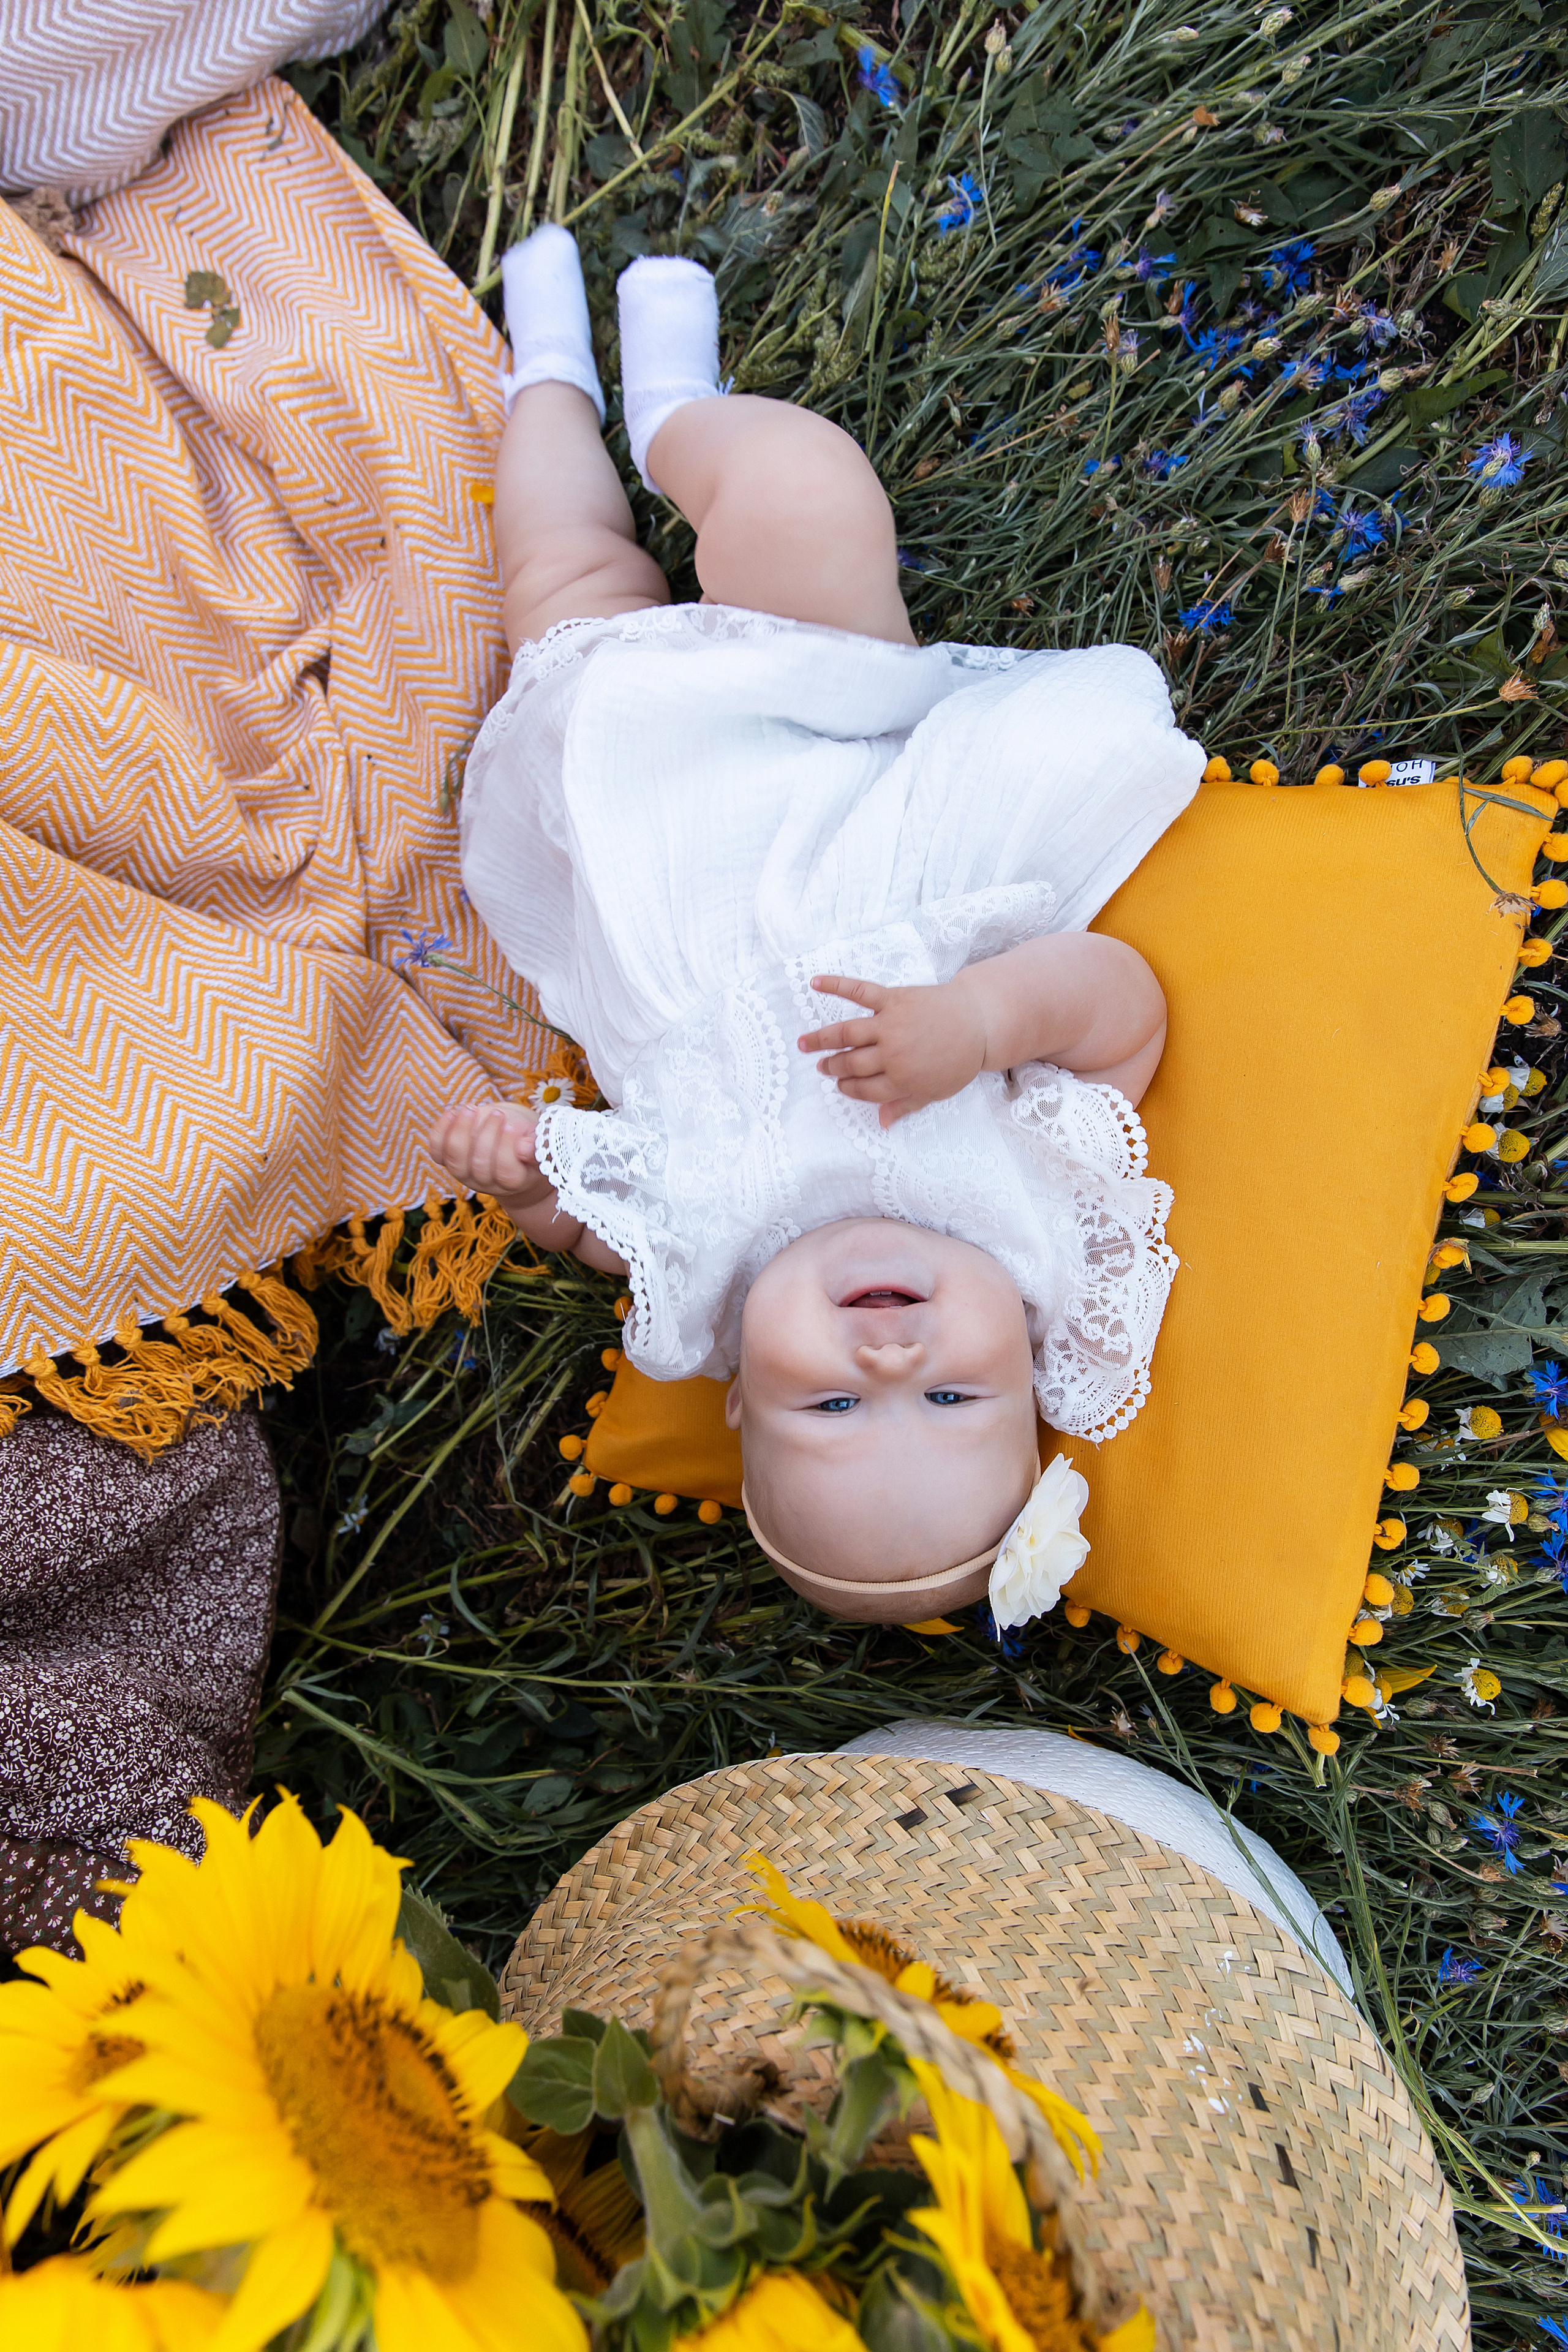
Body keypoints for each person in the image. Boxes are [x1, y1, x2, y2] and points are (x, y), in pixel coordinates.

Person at [434, 228, 1204, 1625]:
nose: (894, 1355)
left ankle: (544, 377)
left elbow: (584, 1224)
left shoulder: (705, 1262)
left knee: (558, 572)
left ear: (734, 1391)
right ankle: (677, 412)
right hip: (845, 768)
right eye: (957, 1394)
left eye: (833, 1400)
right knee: (806, 497)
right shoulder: (1040, 1218)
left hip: (645, 822)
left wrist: (524, 1185)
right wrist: (975, 1027)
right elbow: (1121, 1005)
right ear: (1031, 1364)